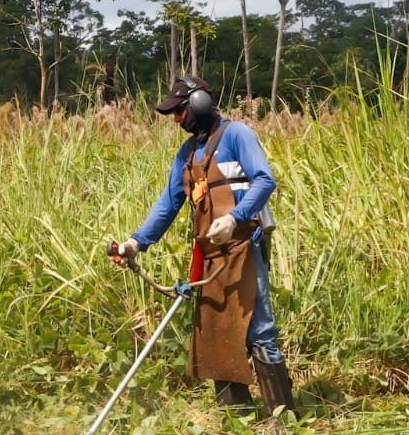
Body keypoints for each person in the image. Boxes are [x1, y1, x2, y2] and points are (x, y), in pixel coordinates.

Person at [114, 75, 294, 414]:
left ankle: (281, 416)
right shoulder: (187, 154)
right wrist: (136, 242)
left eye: (180, 112)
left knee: (259, 328)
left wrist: (235, 218)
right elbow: (168, 204)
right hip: (210, 257)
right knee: (216, 330)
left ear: (198, 104)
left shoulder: (237, 135)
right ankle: (237, 415)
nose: (177, 119)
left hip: (244, 249)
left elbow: (265, 179)